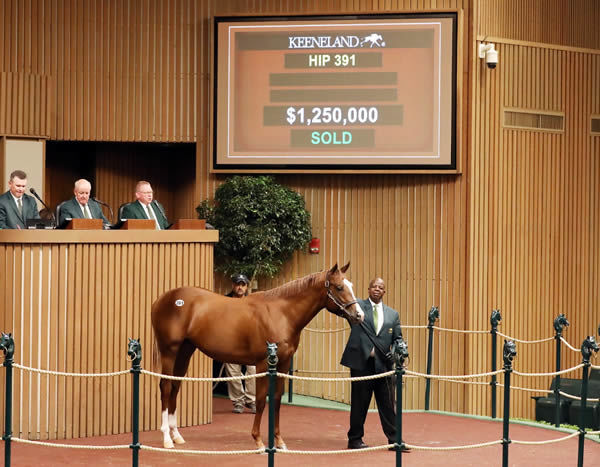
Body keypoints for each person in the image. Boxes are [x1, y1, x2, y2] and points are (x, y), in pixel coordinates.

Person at [340, 277, 409, 451]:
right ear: (368, 289)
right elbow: (343, 307)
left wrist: (398, 352)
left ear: (384, 292)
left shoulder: (393, 314)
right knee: (359, 403)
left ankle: (395, 441)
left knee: (387, 404)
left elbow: (398, 338)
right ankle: (354, 440)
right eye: (374, 286)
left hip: (384, 365)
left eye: (381, 287)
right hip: (362, 363)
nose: (377, 289)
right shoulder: (358, 307)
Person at [223, 273, 256, 414]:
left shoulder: (252, 302)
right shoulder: (224, 301)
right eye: (238, 284)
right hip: (231, 342)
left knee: (253, 371)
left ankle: (251, 400)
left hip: (250, 342)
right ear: (233, 285)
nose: (240, 287)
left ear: (247, 286)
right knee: (232, 371)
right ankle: (238, 401)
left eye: (243, 284)